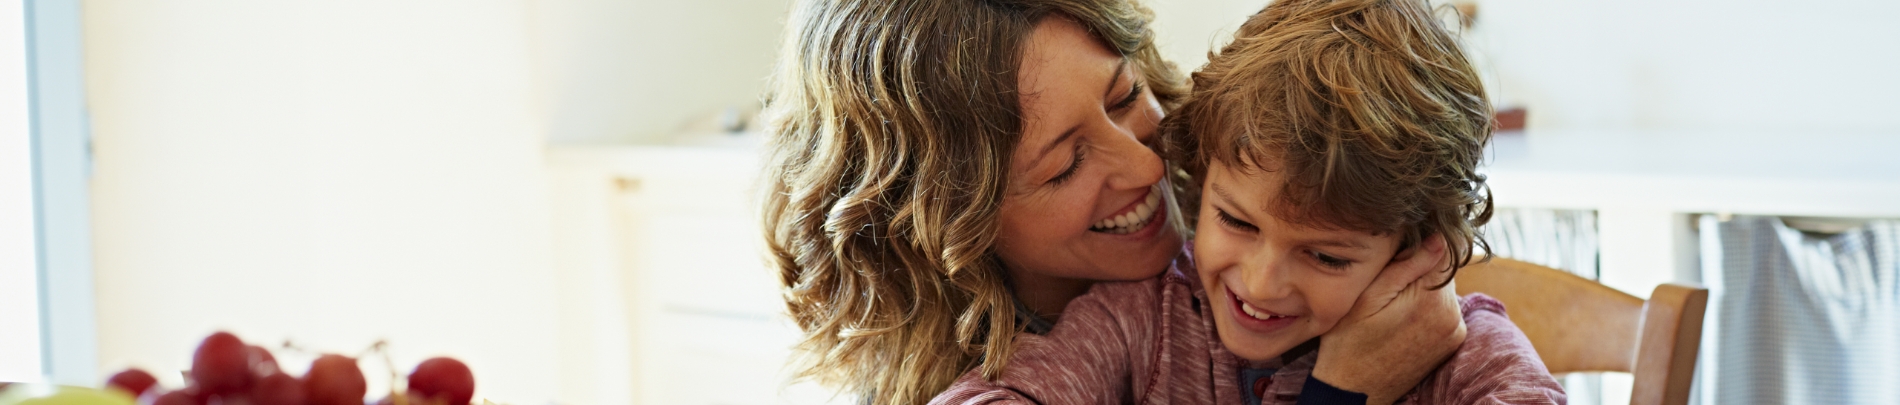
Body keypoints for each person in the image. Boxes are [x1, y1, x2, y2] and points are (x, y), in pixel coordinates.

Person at [759, 1, 1474, 404]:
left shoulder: (1262, 232)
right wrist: (1342, 393)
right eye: (1065, 164)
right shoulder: (1099, 339)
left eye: (1126, 96)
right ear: (948, 221)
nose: (1145, 162)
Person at [928, 0, 1565, 404]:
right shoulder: (1146, 319)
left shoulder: (1462, 353)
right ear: (1202, 179)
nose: (1260, 282)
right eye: (1234, 220)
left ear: (1419, 252)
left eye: (1325, 255)